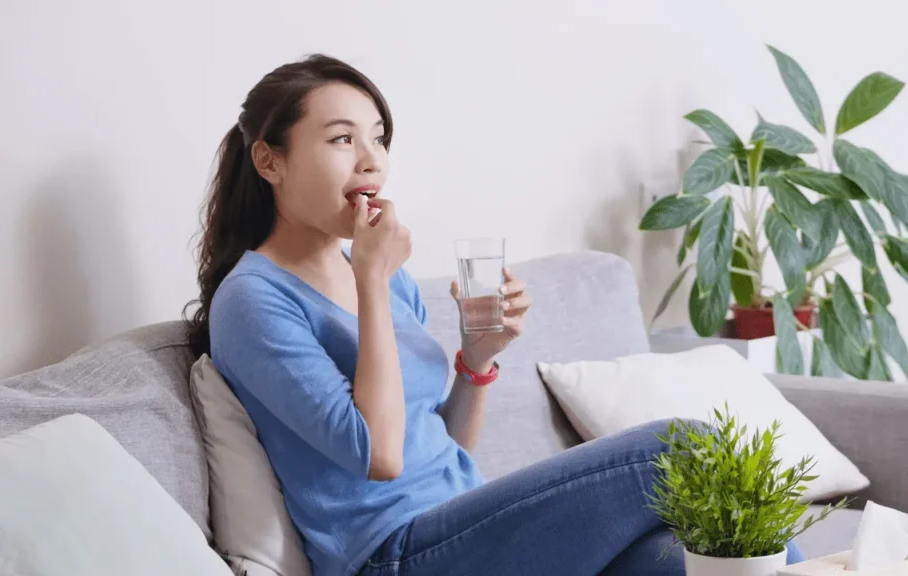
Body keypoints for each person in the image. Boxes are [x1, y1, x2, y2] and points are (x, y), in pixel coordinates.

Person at [183, 54, 805, 576]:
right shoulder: (255, 299)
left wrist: (477, 359)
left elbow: (443, 446)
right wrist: (369, 279)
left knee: (689, 559)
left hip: (464, 524)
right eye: (342, 139)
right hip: (393, 556)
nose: (371, 159)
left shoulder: (384, 272)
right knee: (685, 446)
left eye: (378, 138)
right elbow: (379, 456)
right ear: (270, 161)